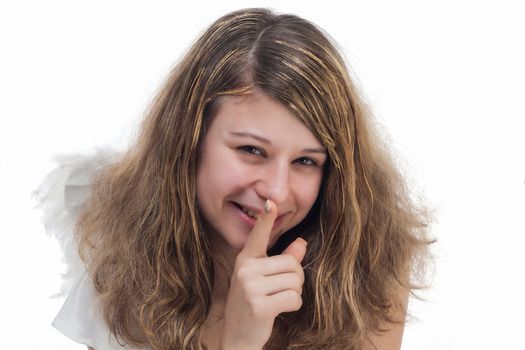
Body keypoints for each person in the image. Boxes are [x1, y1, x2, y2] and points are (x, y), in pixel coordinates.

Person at [35, 7, 433, 350]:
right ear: (190, 139)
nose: (276, 192)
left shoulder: (366, 268)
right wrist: (240, 340)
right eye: (251, 151)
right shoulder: (117, 250)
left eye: (307, 162)